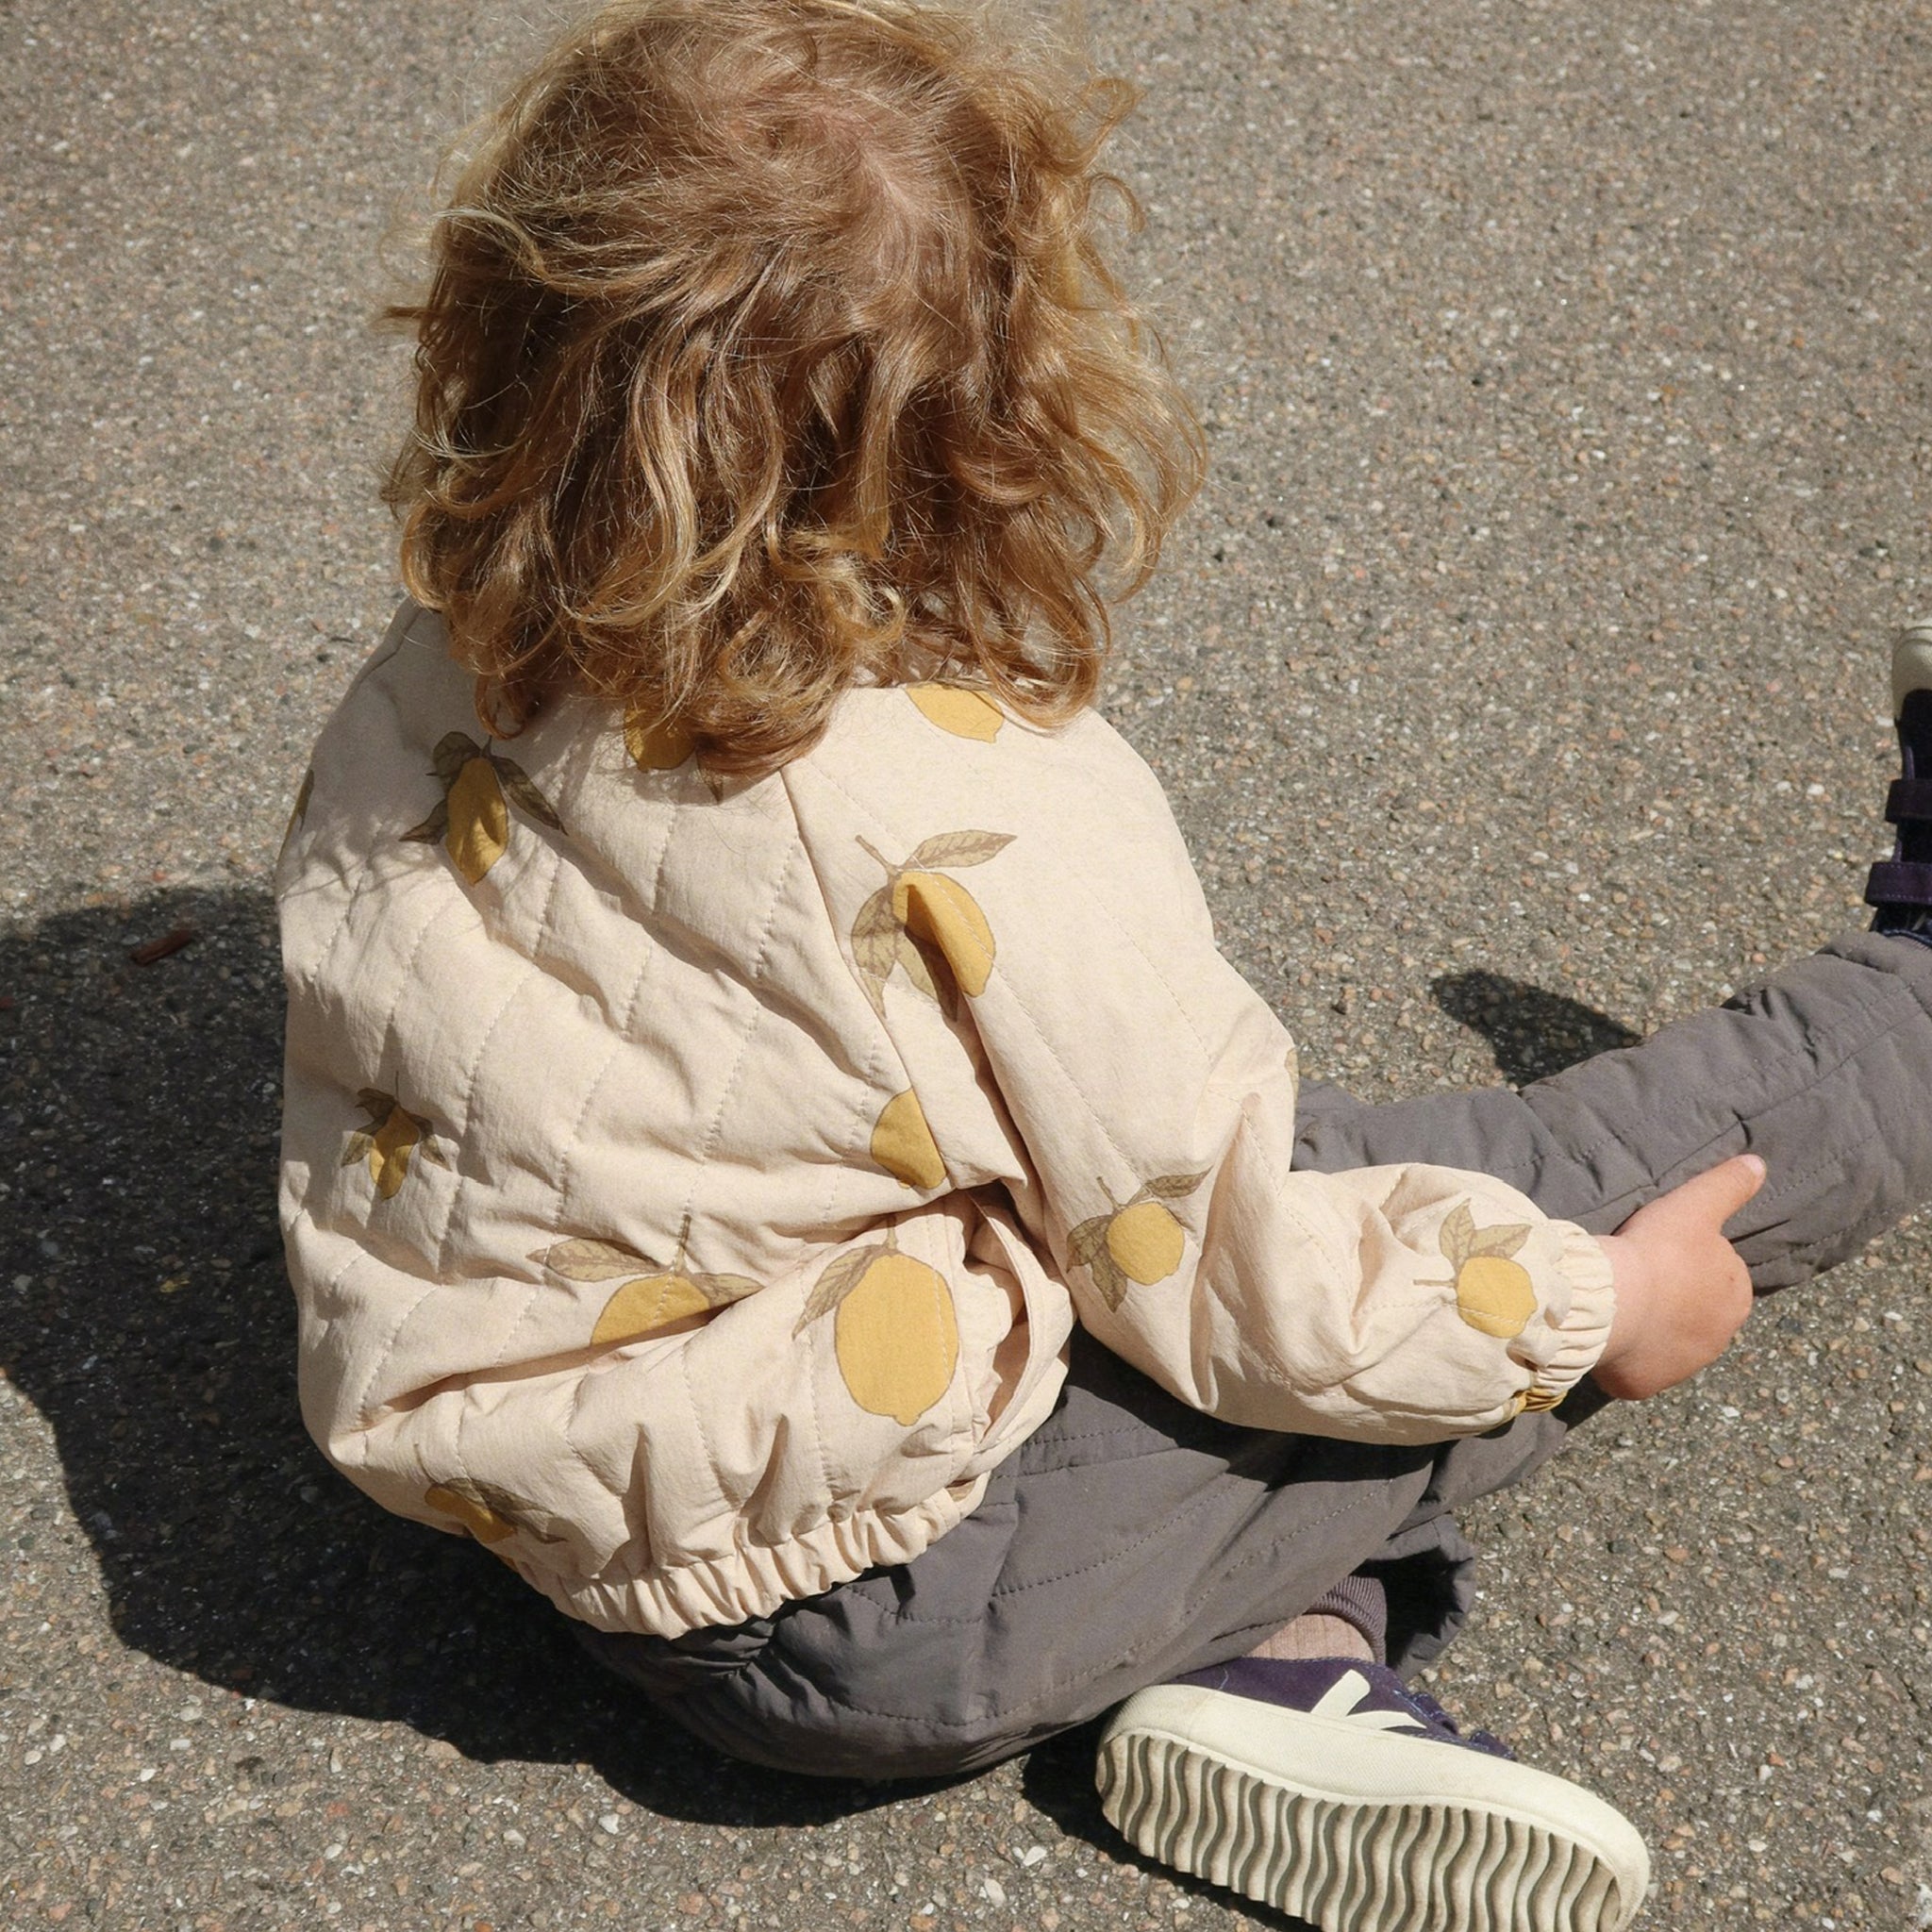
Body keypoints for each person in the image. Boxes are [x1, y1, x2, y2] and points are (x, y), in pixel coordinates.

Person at [274, 5, 1932, 1928]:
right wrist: (1594, 1314)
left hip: (541, 1488)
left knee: (1306, 1224)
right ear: (1003, 401)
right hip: (869, 1597)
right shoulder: (969, 813)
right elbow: (1236, 1275)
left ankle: (1286, 1663)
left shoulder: (444, 652)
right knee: (1507, 1206)